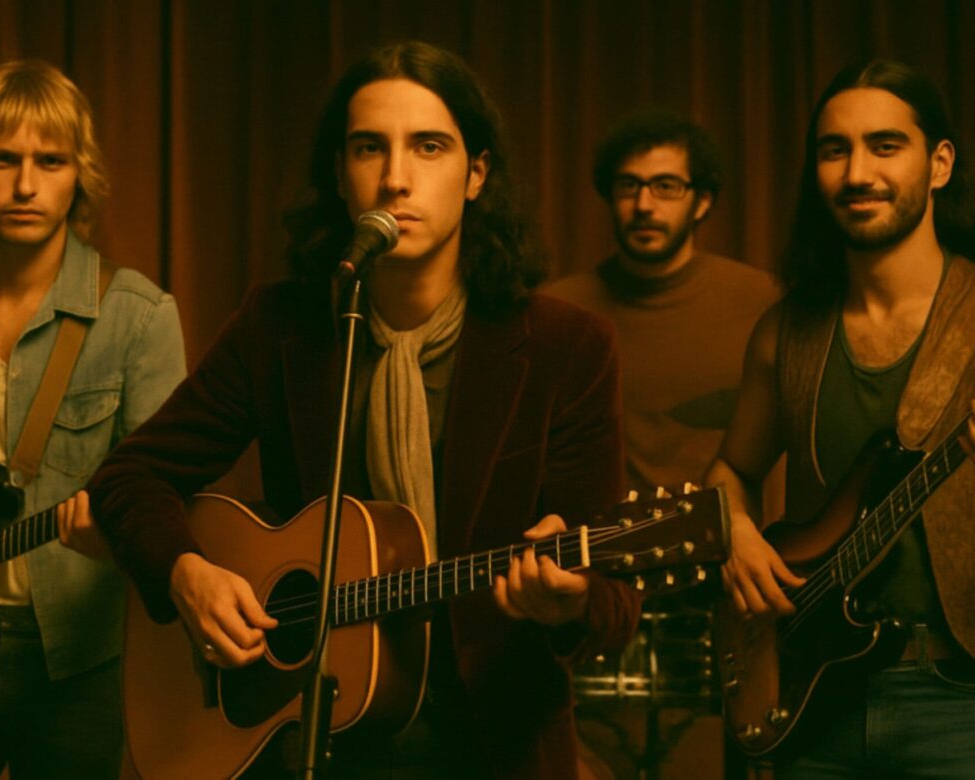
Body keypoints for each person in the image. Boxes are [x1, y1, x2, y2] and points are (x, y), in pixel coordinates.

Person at [88, 41, 641, 779]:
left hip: (496, 744)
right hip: (315, 736)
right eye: (368, 148)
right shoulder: (282, 328)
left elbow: (615, 601)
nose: (395, 178)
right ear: (339, 176)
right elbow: (128, 477)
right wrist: (185, 572)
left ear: (477, 174)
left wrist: (569, 603)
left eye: (429, 147)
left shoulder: (566, 349)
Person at [709, 58, 975, 777]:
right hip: (812, 693)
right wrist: (733, 528)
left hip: (963, 701)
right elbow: (731, 470)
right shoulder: (782, 333)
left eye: (885, 146)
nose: (857, 172)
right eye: (835, 150)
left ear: (940, 164)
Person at [0, 60, 186, 777]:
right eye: (2, 160)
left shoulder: (140, 318)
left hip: (73, 666)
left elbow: (171, 501)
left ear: (80, 176)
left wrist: (117, 542)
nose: (25, 186)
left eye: (50, 162)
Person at [545, 108, 777, 779]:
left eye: (666, 186)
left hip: (722, 607)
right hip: (595, 602)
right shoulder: (557, 314)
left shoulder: (760, 301)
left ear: (702, 201)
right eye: (629, 186)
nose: (645, 204)